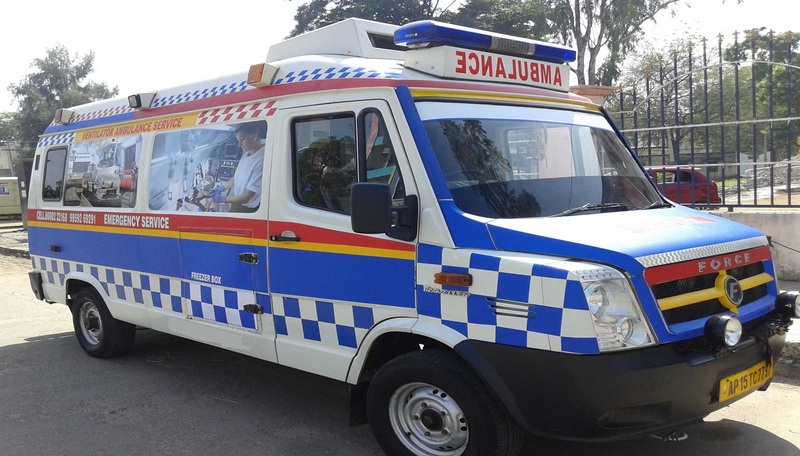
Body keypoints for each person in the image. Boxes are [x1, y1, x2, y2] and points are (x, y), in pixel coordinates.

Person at [212, 122, 265, 213]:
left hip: (248, 208)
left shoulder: (262, 159)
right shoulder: (247, 153)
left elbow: (246, 197)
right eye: (238, 140)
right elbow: (236, 177)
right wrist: (222, 187)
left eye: (242, 139)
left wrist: (222, 199)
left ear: (255, 134)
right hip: (236, 201)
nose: (239, 145)